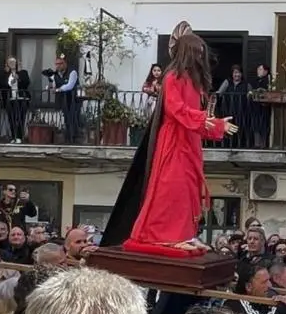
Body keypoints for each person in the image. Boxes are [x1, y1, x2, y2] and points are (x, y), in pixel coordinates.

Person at [102, 21, 238, 256]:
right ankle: (164, 236)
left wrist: (217, 125)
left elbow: (197, 119)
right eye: (197, 52)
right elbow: (175, 109)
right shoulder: (172, 76)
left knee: (187, 190)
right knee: (171, 189)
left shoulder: (195, 84)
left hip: (189, 141)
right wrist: (203, 120)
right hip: (173, 140)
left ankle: (183, 234)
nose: (200, 57)